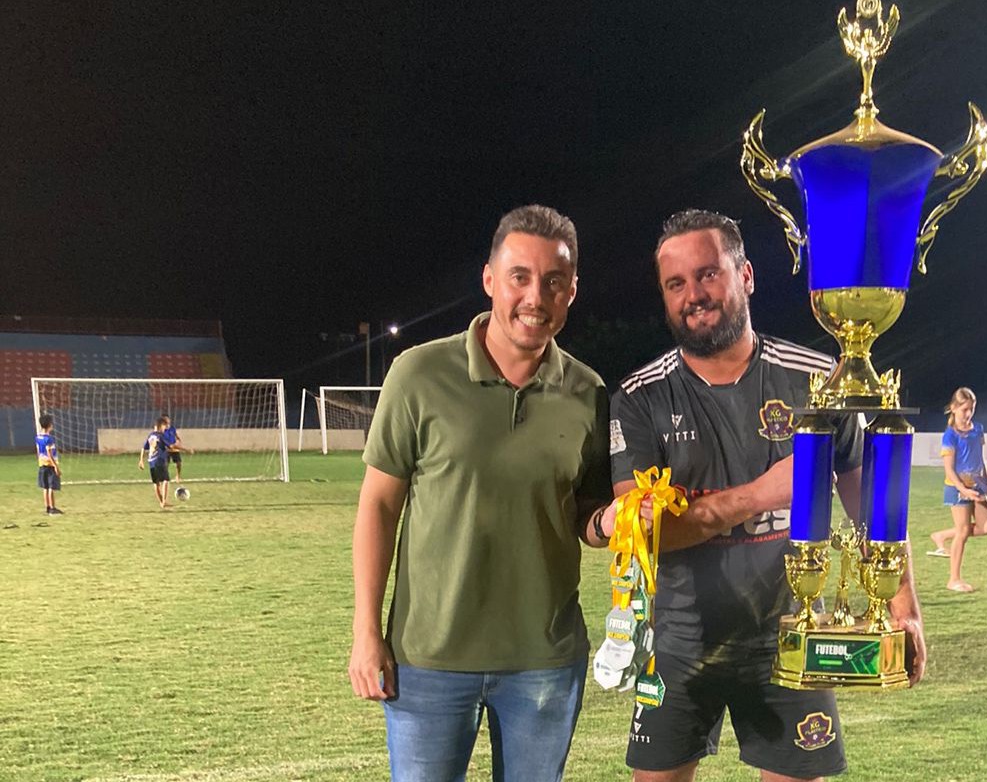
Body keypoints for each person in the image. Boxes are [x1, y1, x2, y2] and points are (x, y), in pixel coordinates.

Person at [608, 210, 925, 782]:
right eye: (675, 284)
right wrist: (761, 494)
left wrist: (903, 606)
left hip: (792, 637)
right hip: (679, 643)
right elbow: (644, 538)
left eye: (708, 274)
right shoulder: (639, 398)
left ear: (746, 275)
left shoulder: (819, 381)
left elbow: (871, 506)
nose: (693, 295)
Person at [347, 205, 612, 782]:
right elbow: (379, 505)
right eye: (520, 276)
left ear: (572, 291)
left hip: (544, 661)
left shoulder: (589, 391)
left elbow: (586, 515)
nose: (535, 297)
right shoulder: (418, 374)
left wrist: (618, 522)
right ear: (490, 279)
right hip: (429, 659)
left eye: (554, 281)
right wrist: (366, 632)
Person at [928, 388, 987, 592]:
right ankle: (954, 579)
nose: (968, 413)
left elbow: (981, 460)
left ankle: (941, 536)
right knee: (963, 531)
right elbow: (949, 469)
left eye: (971, 409)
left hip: (977, 485)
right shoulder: (950, 435)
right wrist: (963, 490)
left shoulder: (978, 429)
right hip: (957, 488)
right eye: (965, 409)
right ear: (954, 408)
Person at [138, 416, 175, 509]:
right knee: (166, 480)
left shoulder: (151, 436)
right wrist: (185, 449)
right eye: (165, 426)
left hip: (151, 461)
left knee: (156, 483)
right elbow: (171, 446)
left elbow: (144, 448)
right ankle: (164, 502)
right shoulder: (160, 435)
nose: (165, 429)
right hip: (159, 460)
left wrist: (141, 460)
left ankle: (162, 502)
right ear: (161, 425)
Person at [36, 414, 64, 515]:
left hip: (42, 465)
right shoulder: (49, 439)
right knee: (51, 487)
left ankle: (47, 507)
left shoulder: (38, 437)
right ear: (49, 425)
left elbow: (39, 451)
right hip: (50, 465)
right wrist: (56, 466)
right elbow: (49, 453)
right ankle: (52, 508)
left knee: (45, 487)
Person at [161, 414, 191, 483]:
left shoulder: (172, 428)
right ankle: (165, 477)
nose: (167, 421)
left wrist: (178, 441)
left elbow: (176, 436)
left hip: (174, 449)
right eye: (165, 420)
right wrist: (186, 450)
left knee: (178, 463)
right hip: (166, 449)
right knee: (166, 464)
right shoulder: (162, 430)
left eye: (167, 419)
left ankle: (178, 476)